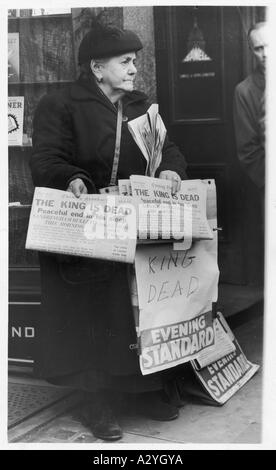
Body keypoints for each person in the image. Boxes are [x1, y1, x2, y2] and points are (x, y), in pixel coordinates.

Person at [30, 18, 188, 441]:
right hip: (85, 225)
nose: (135, 68)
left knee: (132, 312)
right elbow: (46, 157)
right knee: (91, 316)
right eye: (125, 61)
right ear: (97, 68)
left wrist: (171, 169)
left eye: (135, 60)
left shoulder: (140, 106)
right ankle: (94, 402)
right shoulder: (60, 104)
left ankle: (143, 389)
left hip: (132, 222)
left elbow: (166, 147)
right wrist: (71, 178)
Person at [233, 22, 267, 194]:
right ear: (252, 51)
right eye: (259, 48)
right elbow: (248, 152)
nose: (266, 54)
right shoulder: (244, 91)